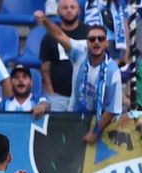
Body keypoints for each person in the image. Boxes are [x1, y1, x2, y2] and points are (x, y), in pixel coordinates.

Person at [32, 15, 123, 144]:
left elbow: (112, 109)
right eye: (92, 39)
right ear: (87, 42)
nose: (96, 42)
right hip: (74, 117)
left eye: (101, 39)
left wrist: (95, 132)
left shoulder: (113, 72)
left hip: (100, 122)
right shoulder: (80, 51)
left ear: (106, 43)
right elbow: (59, 35)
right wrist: (45, 21)